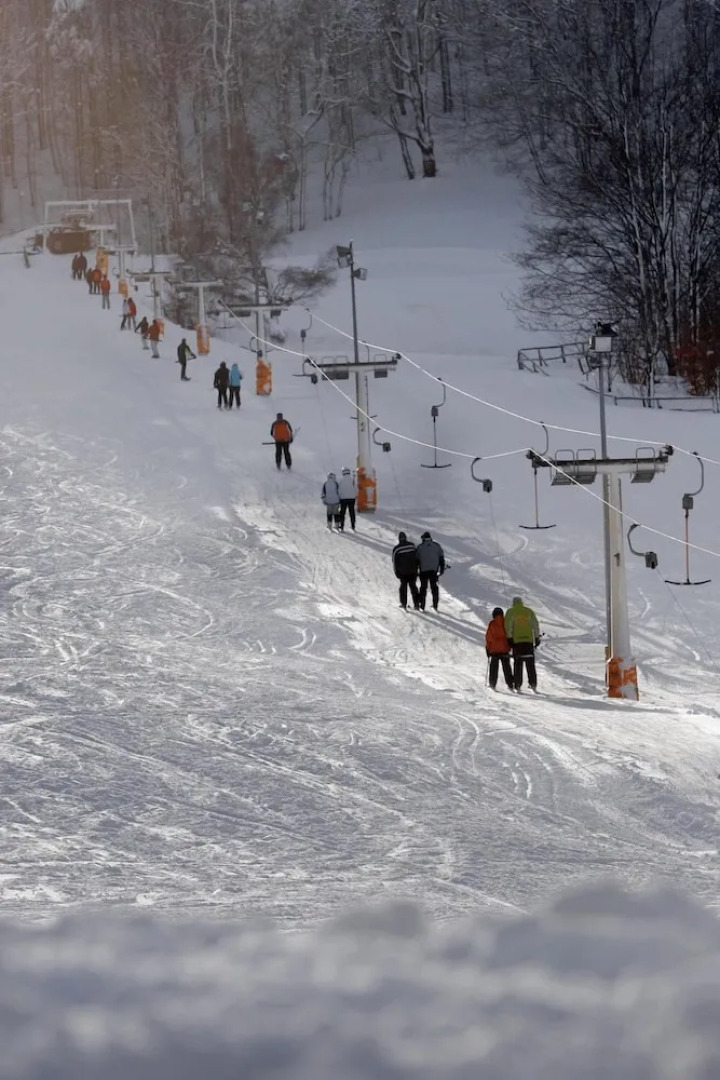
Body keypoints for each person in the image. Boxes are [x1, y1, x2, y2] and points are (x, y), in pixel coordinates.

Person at [504, 596, 541, 692]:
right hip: (528, 641)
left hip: (517, 642)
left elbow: (508, 626)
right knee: (530, 663)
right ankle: (533, 684)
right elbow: (535, 625)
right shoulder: (529, 611)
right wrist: (536, 638)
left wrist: (509, 638)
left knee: (518, 664)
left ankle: (518, 685)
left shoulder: (510, 612)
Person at [485, 607, 515, 691]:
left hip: (494, 649)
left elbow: (489, 637)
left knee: (494, 667)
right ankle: (510, 684)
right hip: (505, 649)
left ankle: (492, 684)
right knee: (507, 667)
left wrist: (488, 648)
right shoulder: (507, 623)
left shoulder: (492, 623)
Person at [416, 531, 445, 611]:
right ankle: (435, 606)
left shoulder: (420, 547)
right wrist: (441, 569)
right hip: (434, 571)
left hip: (423, 571)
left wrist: (416, 571)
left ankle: (422, 606)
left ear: (423, 539)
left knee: (423, 588)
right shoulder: (437, 546)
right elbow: (441, 559)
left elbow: (417, 560)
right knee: (434, 588)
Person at [392, 531, 420, 610]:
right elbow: (417, 558)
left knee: (403, 588)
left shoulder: (397, 549)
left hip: (403, 572)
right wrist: (417, 568)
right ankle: (417, 604)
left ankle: (403, 604)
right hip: (413, 571)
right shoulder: (412, 546)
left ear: (399, 539)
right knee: (413, 587)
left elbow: (394, 562)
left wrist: (396, 572)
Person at [337, 467, 357, 531]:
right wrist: (355, 495)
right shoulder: (352, 479)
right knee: (352, 512)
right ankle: (353, 526)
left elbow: (339, 490)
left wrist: (339, 497)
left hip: (343, 499)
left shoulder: (340, 480)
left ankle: (342, 526)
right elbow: (355, 488)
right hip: (352, 498)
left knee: (342, 512)